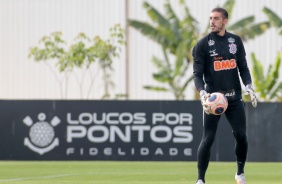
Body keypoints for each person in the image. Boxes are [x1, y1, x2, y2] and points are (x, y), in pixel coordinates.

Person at [192, 7, 257, 184]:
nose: (212, 21)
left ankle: (240, 173)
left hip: (234, 98)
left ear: (225, 21)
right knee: (208, 138)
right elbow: (197, 74)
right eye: (210, 18)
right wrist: (202, 92)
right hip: (213, 99)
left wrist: (249, 86)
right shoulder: (202, 45)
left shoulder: (235, 41)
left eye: (216, 18)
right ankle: (200, 180)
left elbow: (243, 67)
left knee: (241, 136)